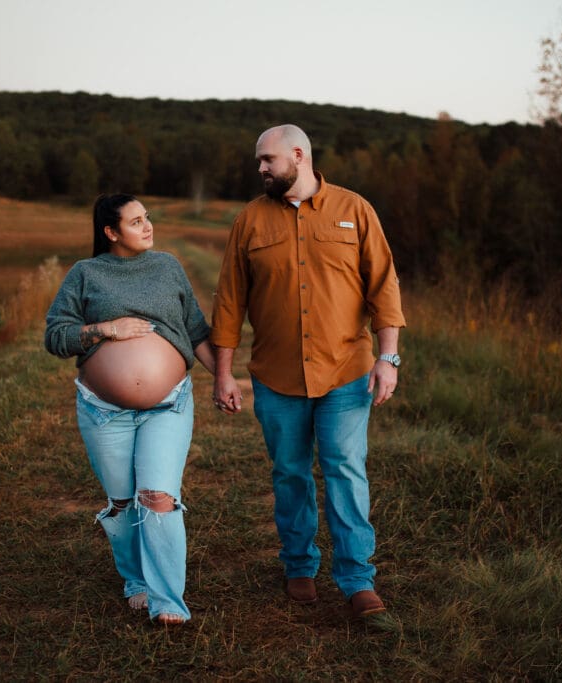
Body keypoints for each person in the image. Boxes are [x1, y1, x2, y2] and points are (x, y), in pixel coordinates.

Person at [210, 124, 406, 619]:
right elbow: (230, 300)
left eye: (267, 159)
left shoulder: (354, 209)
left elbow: (384, 286)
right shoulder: (249, 220)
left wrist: (388, 357)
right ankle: (298, 564)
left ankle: (357, 579)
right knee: (290, 473)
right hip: (276, 376)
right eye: (259, 161)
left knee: (345, 469)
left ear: (298, 155)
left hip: (346, 371)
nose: (260, 168)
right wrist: (223, 373)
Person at [45, 193, 216, 625]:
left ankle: (167, 602)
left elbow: (196, 330)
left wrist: (225, 377)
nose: (148, 226)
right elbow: (56, 337)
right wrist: (107, 329)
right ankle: (136, 579)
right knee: (123, 502)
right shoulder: (85, 273)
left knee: (157, 497)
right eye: (136, 221)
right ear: (111, 232)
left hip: (168, 404)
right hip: (104, 411)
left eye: (147, 218)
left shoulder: (167, 267)